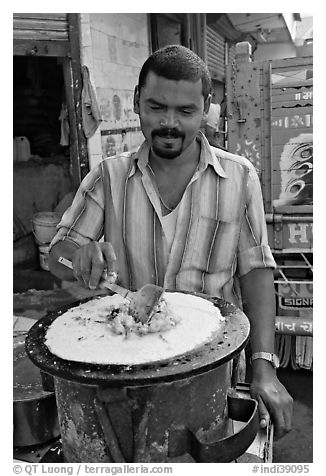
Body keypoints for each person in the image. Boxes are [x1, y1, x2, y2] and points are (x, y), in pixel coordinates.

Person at [48, 44, 293, 440]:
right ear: (136, 102)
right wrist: (79, 256)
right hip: (126, 375)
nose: (169, 124)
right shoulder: (107, 178)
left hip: (216, 375)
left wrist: (264, 365)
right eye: (156, 107)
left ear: (207, 107)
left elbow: (256, 272)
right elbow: (56, 256)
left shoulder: (240, 177)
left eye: (185, 111)